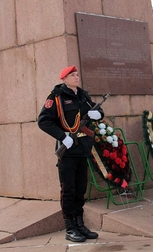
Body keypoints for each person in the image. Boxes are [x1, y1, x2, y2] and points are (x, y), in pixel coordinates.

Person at [38, 65, 104, 242]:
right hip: (67, 149)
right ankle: (70, 228)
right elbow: (43, 121)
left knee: (80, 189)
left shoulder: (83, 95)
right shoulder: (56, 97)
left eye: (77, 74)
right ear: (64, 79)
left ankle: (80, 224)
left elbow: (98, 111)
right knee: (68, 190)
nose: (76, 77)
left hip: (82, 148)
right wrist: (62, 136)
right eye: (72, 75)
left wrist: (97, 114)